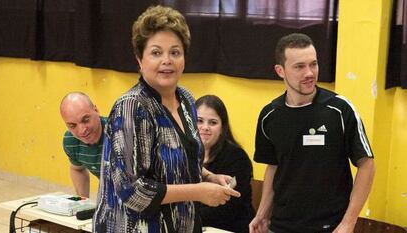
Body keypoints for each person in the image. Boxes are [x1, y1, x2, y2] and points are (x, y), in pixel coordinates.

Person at [93, 5, 240, 233]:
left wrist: (210, 178)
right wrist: (199, 192)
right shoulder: (132, 106)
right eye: (156, 52)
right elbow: (132, 190)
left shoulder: (187, 99)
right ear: (139, 60)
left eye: (175, 52)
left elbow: (180, 161)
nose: (167, 60)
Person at [249, 33, 376, 233]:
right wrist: (263, 213)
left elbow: (367, 164)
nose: (309, 73)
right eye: (299, 66)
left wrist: (349, 222)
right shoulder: (269, 115)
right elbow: (273, 167)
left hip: (330, 226)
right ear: (280, 70)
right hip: (281, 225)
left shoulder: (340, 110)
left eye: (313, 64)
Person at [196, 95, 255, 233]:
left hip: (229, 228)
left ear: (222, 127)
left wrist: (186, 217)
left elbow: (228, 210)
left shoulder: (237, 158)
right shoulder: (183, 153)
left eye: (213, 122)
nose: (205, 127)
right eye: (199, 121)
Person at [60, 92, 106, 198]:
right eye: (72, 125)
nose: (82, 131)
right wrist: (83, 203)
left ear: (96, 111)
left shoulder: (118, 134)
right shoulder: (71, 141)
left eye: (85, 120)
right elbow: (77, 169)